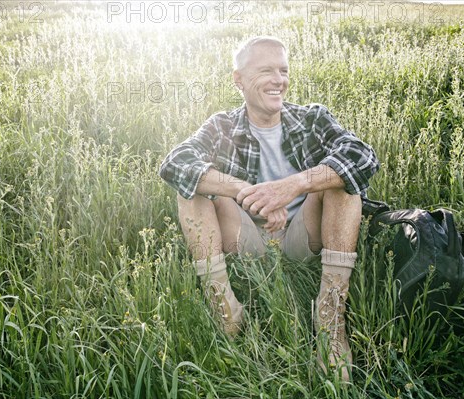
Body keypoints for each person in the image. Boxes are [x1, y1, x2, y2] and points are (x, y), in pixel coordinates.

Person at [158, 36, 379, 381]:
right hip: (247, 238)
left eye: (283, 70)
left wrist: (293, 185)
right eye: (266, 71)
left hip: (301, 236)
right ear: (239, 80)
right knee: (191, 188)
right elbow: (174, 163)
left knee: (342, 181)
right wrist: (246, 192)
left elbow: (362, 156)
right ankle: (225, 308)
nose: (279, 80)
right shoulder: (222, 126)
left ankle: (330, 319)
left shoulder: (312, 118)